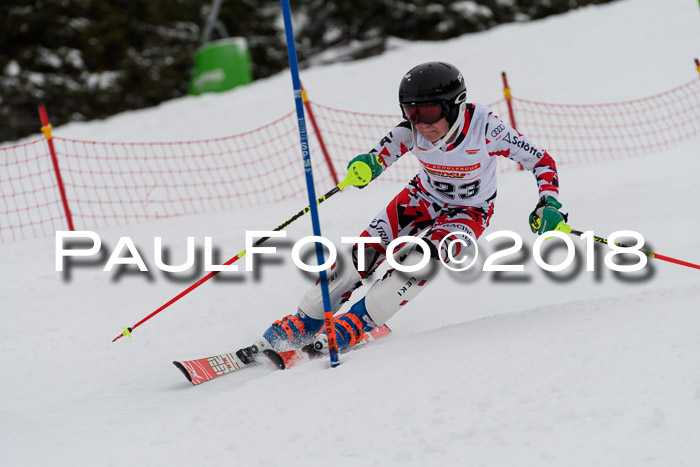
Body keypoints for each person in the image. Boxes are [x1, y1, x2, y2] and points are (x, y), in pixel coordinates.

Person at [243, 61, 566, 359]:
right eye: (411, 112)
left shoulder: (486, 129)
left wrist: (548, 201)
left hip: (468, 212)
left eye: (429, 112)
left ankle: (358, 321)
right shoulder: (410, 130)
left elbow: (540, 161)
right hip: (420, 198)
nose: (421, 123)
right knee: (363, 254)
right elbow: (378, 156)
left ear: (455, 105)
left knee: (420, 259)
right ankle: (307, 318)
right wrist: (366, 166)